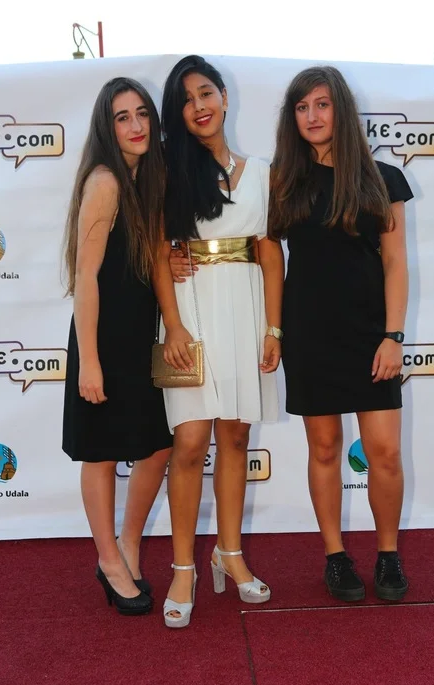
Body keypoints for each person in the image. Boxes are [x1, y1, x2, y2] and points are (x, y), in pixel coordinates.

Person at [269, 66, 414, 602]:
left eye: (322, 104)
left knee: (386, 452)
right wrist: (274, 329)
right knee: (325, 447)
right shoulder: (283, 181)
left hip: (370, 333)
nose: (312, 116)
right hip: (309, 332)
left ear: (341, 110)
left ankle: (388, 555)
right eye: (302, 107)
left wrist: (393, 335)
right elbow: (267, 258)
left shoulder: (382, 179)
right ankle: (334, 557)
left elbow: (395, 263)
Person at [156, 55, 284, 628]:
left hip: (248, 310)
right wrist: (174, 326)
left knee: (235, 436)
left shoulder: (262, 173)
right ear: (178, 114)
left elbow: (270, 253)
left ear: (225, 98)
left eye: (206, 92)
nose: (199, 106)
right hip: (190, 313)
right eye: (186, 100)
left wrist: (274, 328)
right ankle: (183, 567)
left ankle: (228, 555)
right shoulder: (169, 172)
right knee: (189, 443)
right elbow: (158, 252)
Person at [62, 77, 173, 615]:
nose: (135, 126)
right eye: (122, 117)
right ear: (107, 129)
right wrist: (89, 360)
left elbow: (142, 260)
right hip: (102, 340)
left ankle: (128, 543)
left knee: (157, 445)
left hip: (136, 339)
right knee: (101, 452)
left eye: (142, 114)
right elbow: (85, 276)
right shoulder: (105, 181)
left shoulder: (143, 181)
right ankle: (109, 560)